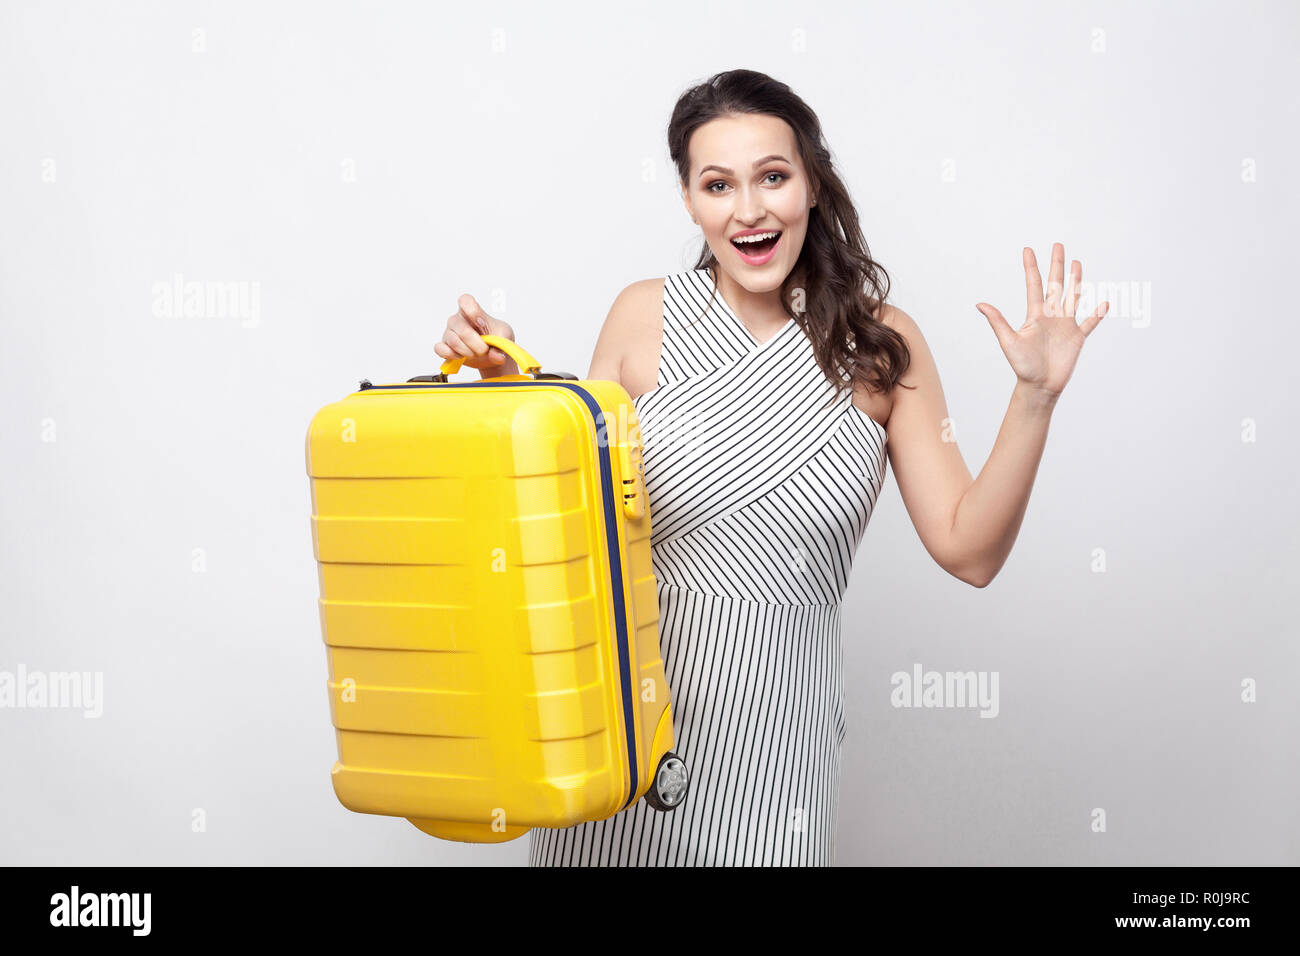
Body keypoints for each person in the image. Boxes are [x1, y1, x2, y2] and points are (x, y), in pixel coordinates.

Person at [437, 69, 1108, 866]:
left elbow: (971, 550)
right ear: (690, 200)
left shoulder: (881, 345)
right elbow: (567, 531)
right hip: (626, 731)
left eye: (773, 177)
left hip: (776, 745)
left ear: (812, 186)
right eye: (717, 184)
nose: (748, 209)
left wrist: (1034, 396)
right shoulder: (641, 316)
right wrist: (507, 392)